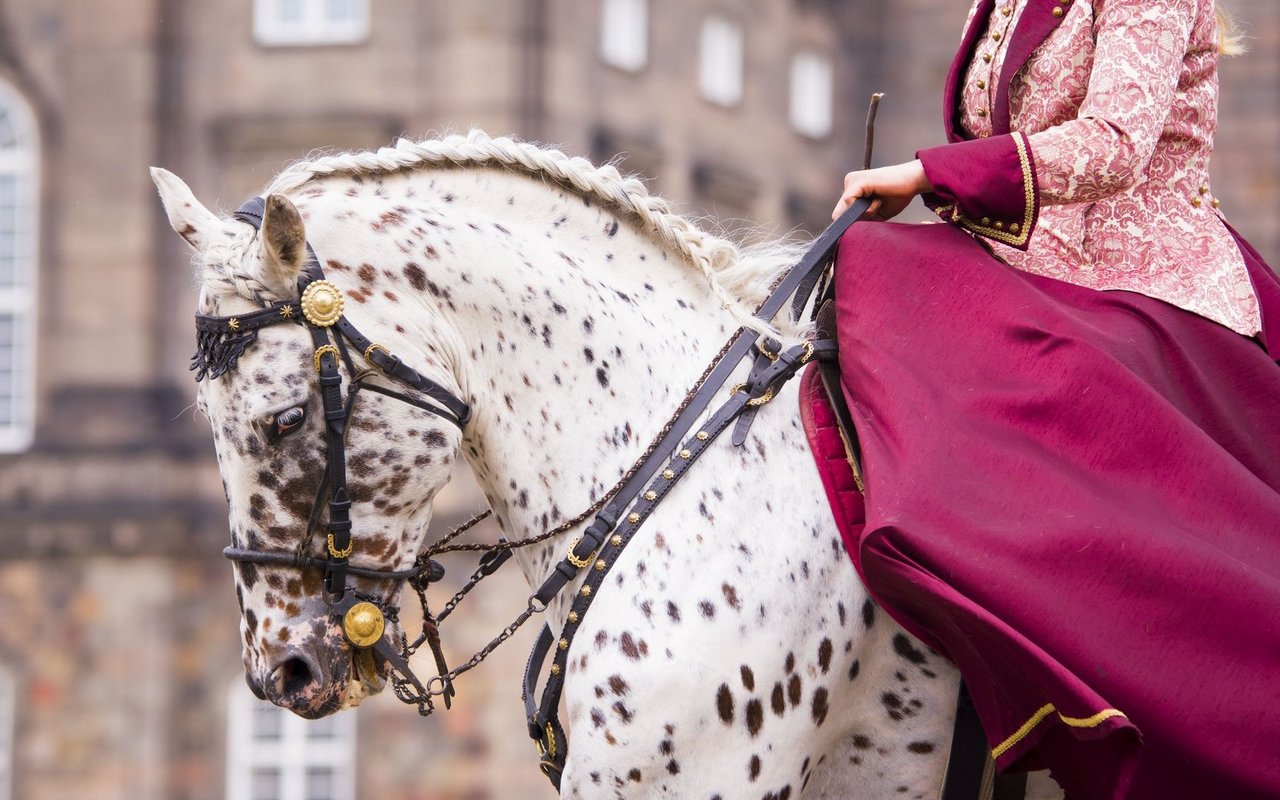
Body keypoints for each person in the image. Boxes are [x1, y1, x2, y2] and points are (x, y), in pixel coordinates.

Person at [815, 1, 1280, 798]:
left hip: (1145, 285)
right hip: (1030, 268)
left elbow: (1114, 145)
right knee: (873, 273)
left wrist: (929, 174)